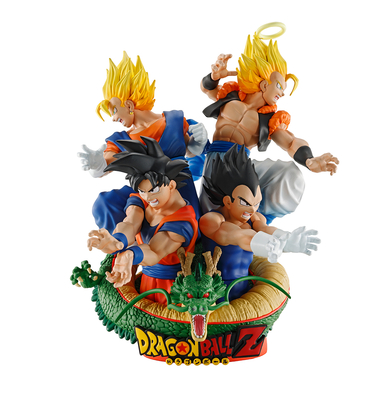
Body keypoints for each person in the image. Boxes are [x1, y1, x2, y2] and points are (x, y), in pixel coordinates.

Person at [199, 24, 339, 222]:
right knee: (209, 216)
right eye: (280, 86)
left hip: (239, 165)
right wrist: (213, 77)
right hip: (212, 158)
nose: (282, 93)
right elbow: (207, 89)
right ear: (265, 84)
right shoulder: (232, 95)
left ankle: (258, 222)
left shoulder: (268, 118)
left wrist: (308, 160)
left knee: (285, 176)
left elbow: (290, 142)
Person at [77, 51, 208, 232]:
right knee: (105, 204)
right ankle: (124, 243)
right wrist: (96, 164)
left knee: (184, 229)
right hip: (145, 196)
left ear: (129, 105)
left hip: (178, 191)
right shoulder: (121, 139)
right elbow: (106, 162)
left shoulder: (174, 120)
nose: (113, 118)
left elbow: (192, 151)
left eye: (114, 110)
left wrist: (198, 142)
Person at [199, 145, 320, 301]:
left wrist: (286, 239)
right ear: (228, 201)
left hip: (244, 289)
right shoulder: (212, 220)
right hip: (212, 294)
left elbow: (264, 228)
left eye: (257, 203)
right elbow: (234, 235)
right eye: (245, 203)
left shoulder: (255, 217)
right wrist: (261, 242)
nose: (252, 209)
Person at [87, 137, 198, 304]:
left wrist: (131, 254)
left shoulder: (182, 222)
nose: (148, 197)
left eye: (153, 190)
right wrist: (118, 241)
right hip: (145, 282)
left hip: (171, 291)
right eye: (142, 191)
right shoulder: (145, 198)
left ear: (171, 185)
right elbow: (131, 222)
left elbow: (154, 251)